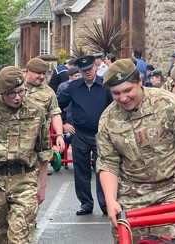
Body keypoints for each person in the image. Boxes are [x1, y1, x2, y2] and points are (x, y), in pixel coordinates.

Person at [96, 59, 175, 243]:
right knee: (127, 236)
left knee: (169, 238)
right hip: (133, 191)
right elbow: (108, 163)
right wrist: (111, 200)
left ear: (139, 80)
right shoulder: (108, 120)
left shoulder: (167, 104)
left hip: (173, 187)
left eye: (127, 90)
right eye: (116, 93)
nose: (123, 98)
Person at [0, 66, 52, 243]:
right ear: (1, 93)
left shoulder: (36, 111)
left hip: (25, 179)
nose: (17, 97)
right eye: (11, 94)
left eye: (21, 91)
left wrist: (42, 186)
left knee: (19, 237)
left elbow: (44, 151)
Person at [57, 55, 113, 216]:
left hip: (101, 134)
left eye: (89, 69)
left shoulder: (105, 86)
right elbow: (58, 104)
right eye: (84, 71)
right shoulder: (73, 87)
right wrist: (63, 122)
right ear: (80, 72)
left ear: (95, 68)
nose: (87, 73)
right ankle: (86, 204)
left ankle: (105, 204)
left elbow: (114, 107)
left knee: (102, 169)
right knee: (81, 170)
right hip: (80, 133)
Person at [24, 57, 65, 153]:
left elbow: (55, 114)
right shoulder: (16, 87)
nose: (42, 77)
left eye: (44, 73)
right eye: (38, 73)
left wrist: (59, 135)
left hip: (40, 141)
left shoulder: (48, 92)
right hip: (17, 139)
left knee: (42, 164)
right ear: (28, 71)